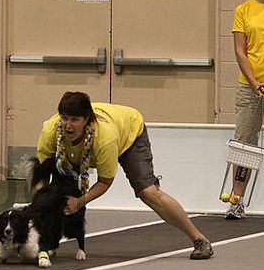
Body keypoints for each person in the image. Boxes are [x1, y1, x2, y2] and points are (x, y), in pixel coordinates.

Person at [36, 91, 213, 260]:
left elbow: (105, 181)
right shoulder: (50, 131)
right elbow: (42, 175)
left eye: (74, 120)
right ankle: (46, 243)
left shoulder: (104, 138)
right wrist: (41, 202)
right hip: (81, 147)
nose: (68, 125)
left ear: (86, 120)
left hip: (129, 133)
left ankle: (199, 239)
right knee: (53, 193)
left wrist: (79, 202)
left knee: (148, 192)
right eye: (65, 118)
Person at [227, 0, 264, 219]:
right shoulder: (244, 10)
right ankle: (236, 201)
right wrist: (254, 82)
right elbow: (240, 51)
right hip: (250, 87)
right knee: (244, 145)